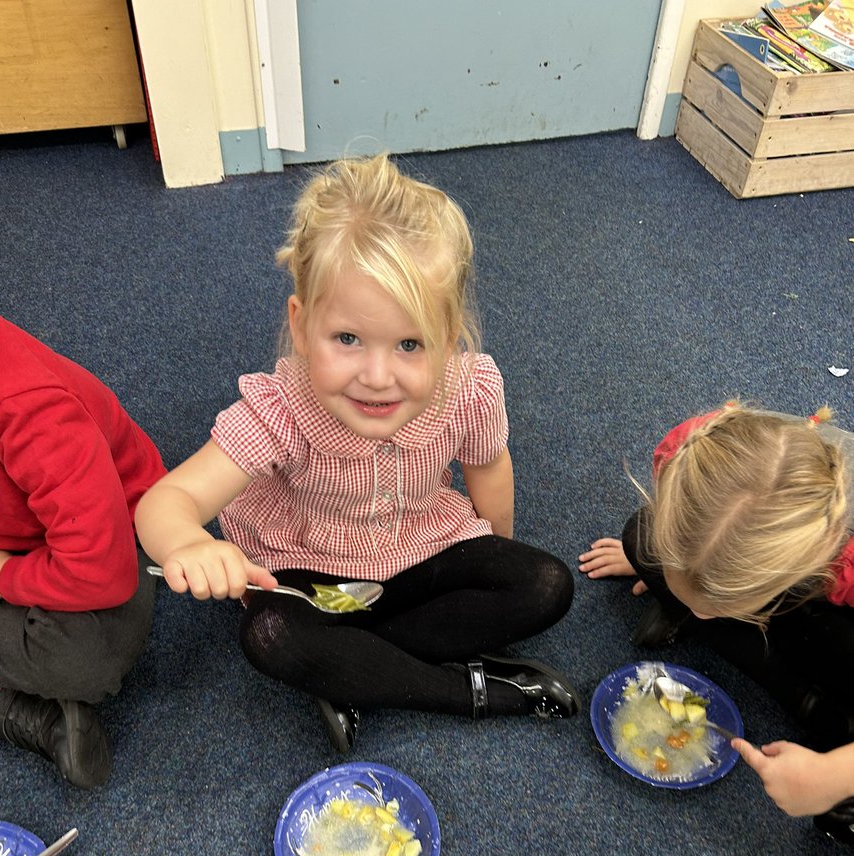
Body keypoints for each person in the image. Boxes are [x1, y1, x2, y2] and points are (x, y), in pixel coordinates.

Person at [136, 152, 579, 752]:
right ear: (300, 326)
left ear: (448, 342)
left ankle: (356, 670)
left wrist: (491, 555)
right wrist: (187, 542)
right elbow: (168, 499)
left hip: (422, 551)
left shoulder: (469, 388)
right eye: (347, 339)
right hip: (309, 576)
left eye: (409, 345)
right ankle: (470, 692)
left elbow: (489, 467)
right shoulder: (282, 408)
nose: (377, 376)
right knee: (269, 634)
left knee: (547, 584)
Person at [0, 179, 166, 788]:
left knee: (89, 654)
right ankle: (7, 704)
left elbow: (98, 570)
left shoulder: (29, 410)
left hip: (99, 545)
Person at [579, 401, 854, 843]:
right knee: (641, 538)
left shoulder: (841, 562)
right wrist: (673, 557)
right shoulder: (684, 455)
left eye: (720, 605)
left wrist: (833, 774)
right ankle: (808, 702)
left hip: (833, 608)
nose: (701, 613)